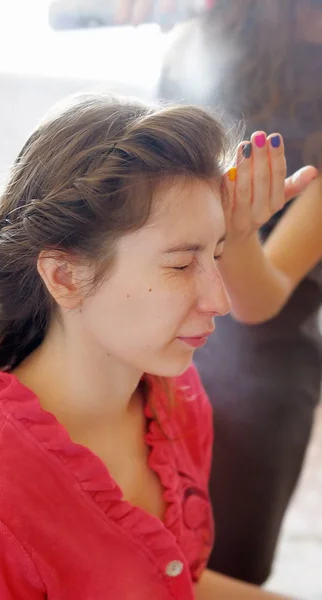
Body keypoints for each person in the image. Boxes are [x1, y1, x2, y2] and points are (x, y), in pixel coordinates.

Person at [0, 93, 312, 599]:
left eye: (217, 253)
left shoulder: (176, 397)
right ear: (65, 276)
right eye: (180, 264)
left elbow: (172, 581)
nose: (219, 299)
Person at [116, 0, 322, 585]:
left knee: (220, 565)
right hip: (149, 339)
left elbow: (260, 301)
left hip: (261, 368)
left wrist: (235, 232)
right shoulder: (210, 27)